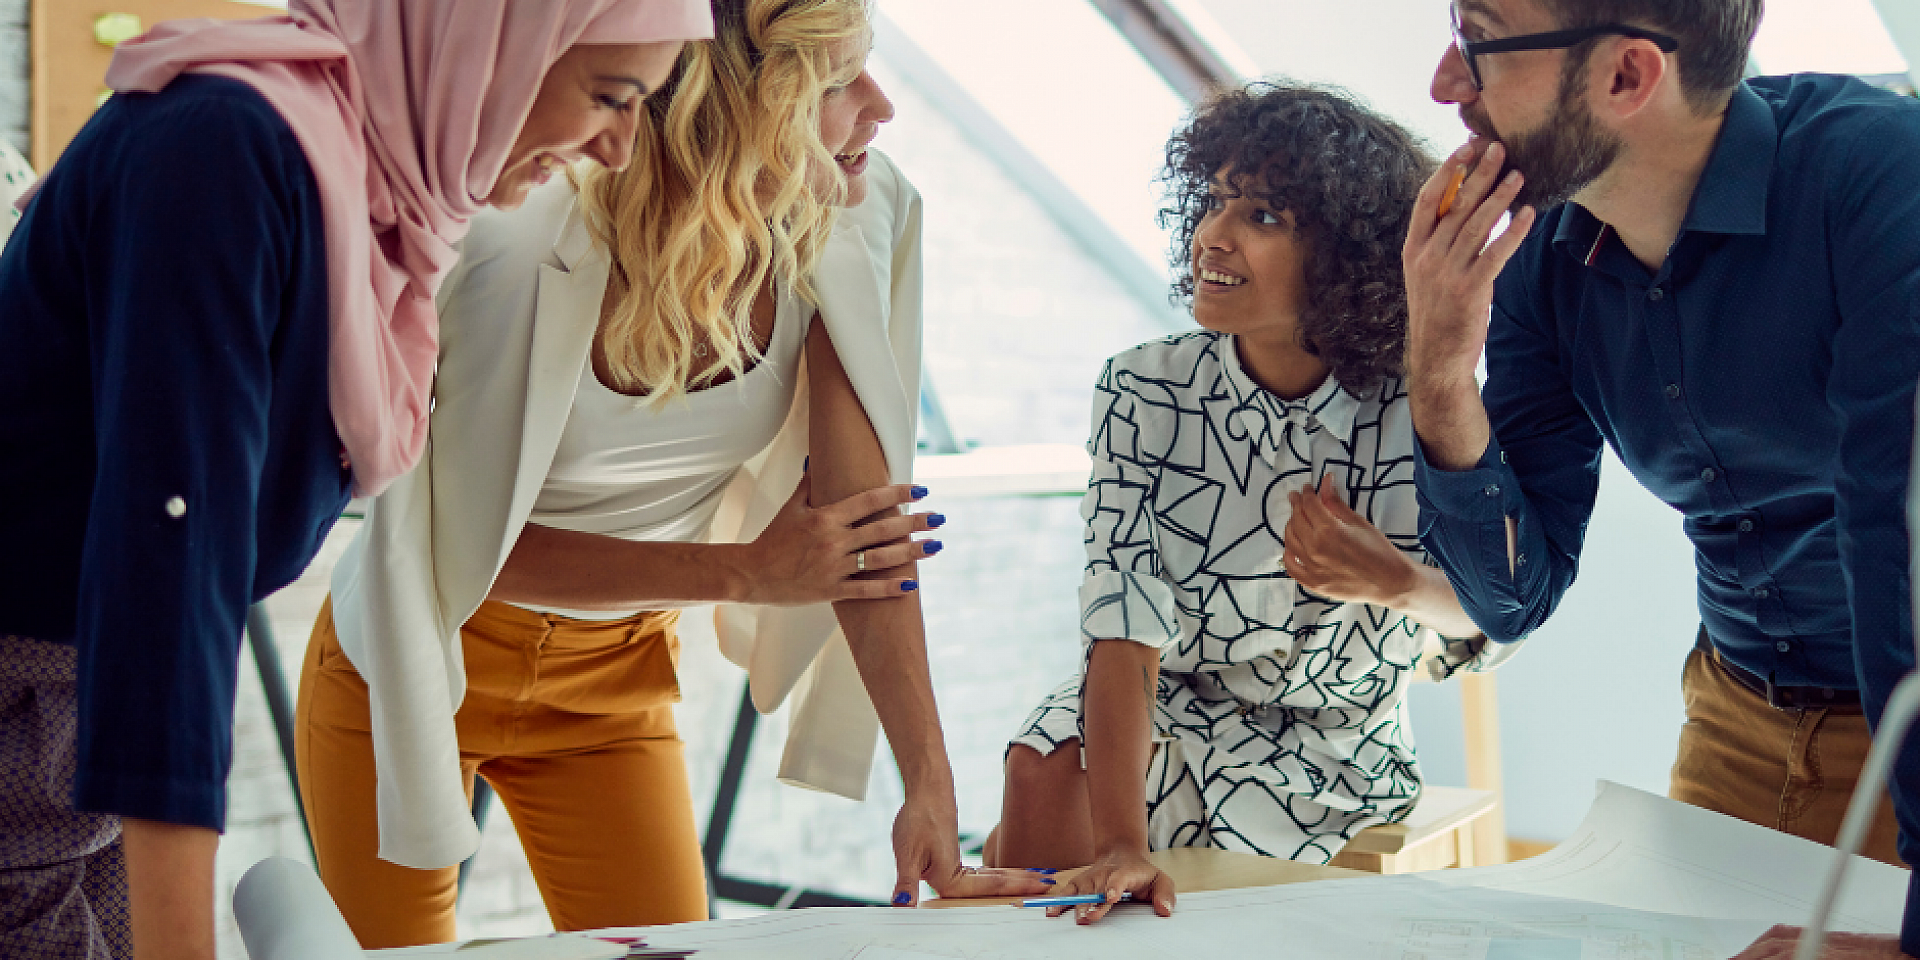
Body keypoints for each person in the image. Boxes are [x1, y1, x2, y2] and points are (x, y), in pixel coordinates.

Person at [294, 0, 1048, 945]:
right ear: (741, 103)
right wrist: (740, 573)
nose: (882, 106)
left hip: (617, 683)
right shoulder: (520, 235)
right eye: (836, 81)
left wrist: (931, 791)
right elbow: (443, 551)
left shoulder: (848, 217)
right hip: (411, 658)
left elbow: (863, 534)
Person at [0, 2, 710, 957]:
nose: (618, 151)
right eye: (607, 96)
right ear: (482, 40)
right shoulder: (222, 152)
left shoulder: (375, 204)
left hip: (82, 736)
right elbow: (168, 569)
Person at [1402, 0, 1920, 956]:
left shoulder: (1881, 178)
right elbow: (1515, 595)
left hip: (1908, 729)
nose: (1445, 83)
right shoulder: (1535, 262)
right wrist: (1437, 369)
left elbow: (1901, 545)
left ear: (1629, 76)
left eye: (1477, 40)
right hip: (1732, 710)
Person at [984, 82, 1509, 925]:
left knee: (1174, 886)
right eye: (1214, 202)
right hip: (1173, 696)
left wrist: (1393, 583)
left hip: (1333, 741)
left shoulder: (1421, 403)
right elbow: (1121, 620)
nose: (1213, 237)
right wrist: (1120, 842)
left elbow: (1495, 617)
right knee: (1044, 769)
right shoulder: (1144, 387)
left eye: (1262, 215)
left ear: (1343, 253)